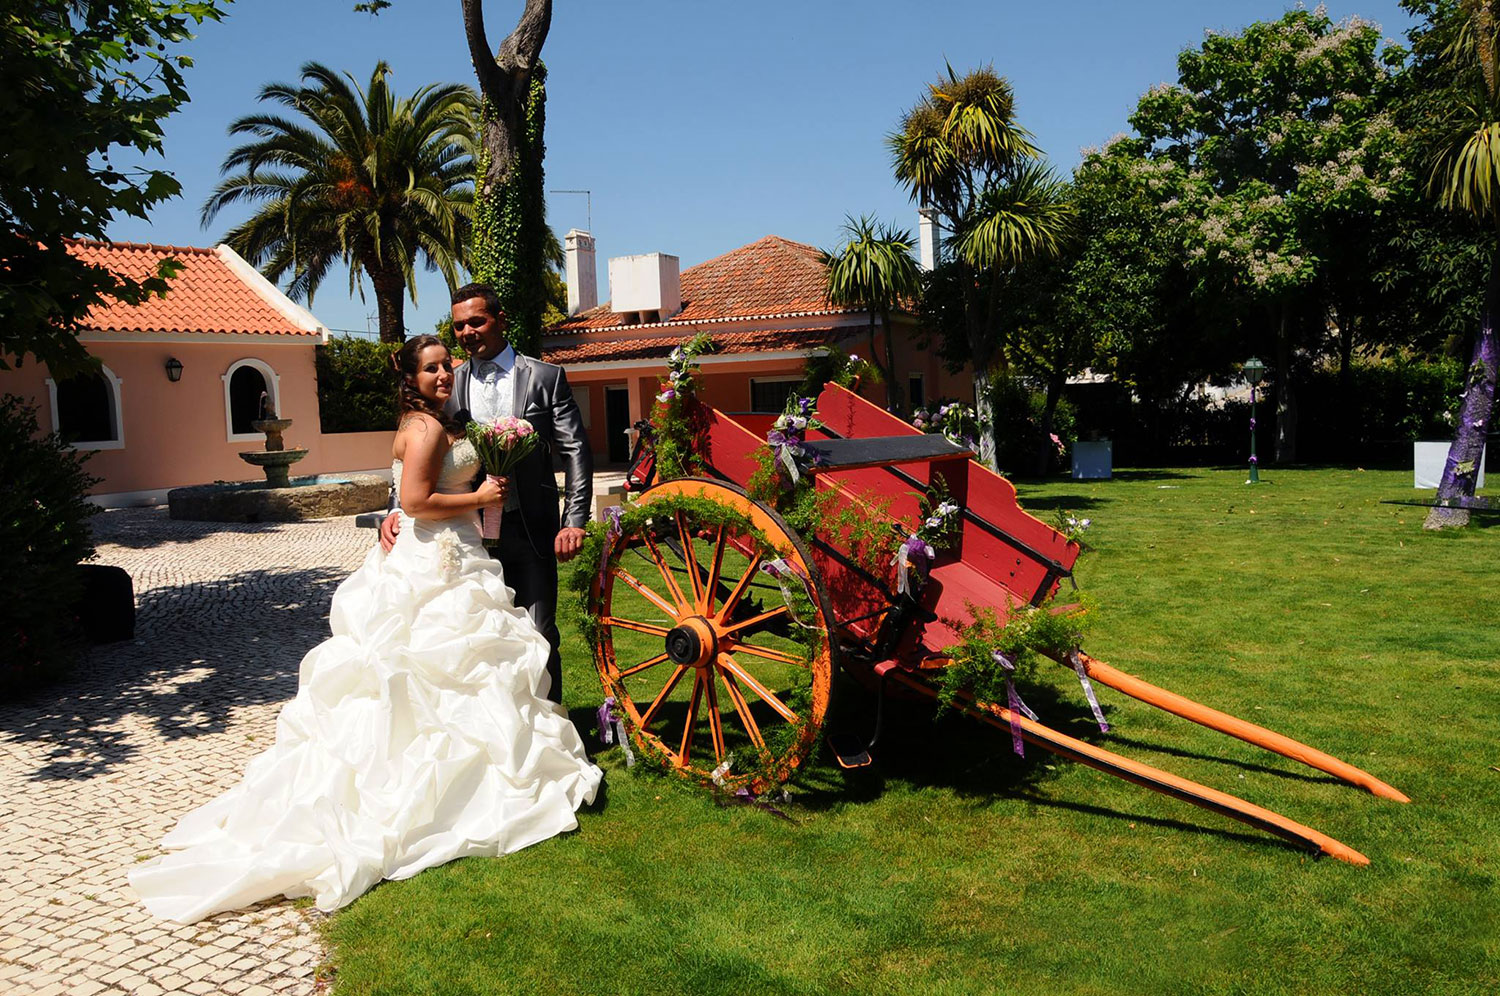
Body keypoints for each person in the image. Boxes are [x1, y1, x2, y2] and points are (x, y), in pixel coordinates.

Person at [129, 335, 602, 924]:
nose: (444, 374)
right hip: (436, 561)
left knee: (456, 672)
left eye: (446, 365)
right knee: (427, 667)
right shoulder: (427, 428)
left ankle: (461, 774)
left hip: (450, 552)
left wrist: (409, 512)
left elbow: (404, 497)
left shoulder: (432, 421)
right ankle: (433, 790)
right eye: (432, 368)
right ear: (411, 376)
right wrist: (478, 495)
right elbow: (421, 499)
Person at [380, 283, 591, 705]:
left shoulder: (545, 378)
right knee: (478, 640)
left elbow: (575, 449)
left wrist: (574, 521)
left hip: (531, 528)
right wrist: (394, 507)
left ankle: (552, 727)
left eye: (477, 321)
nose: (468, 332)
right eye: (459, 326)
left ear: (500, 319)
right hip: (466, 536)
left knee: (539, 632)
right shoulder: (446, 382)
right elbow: (419, 458)